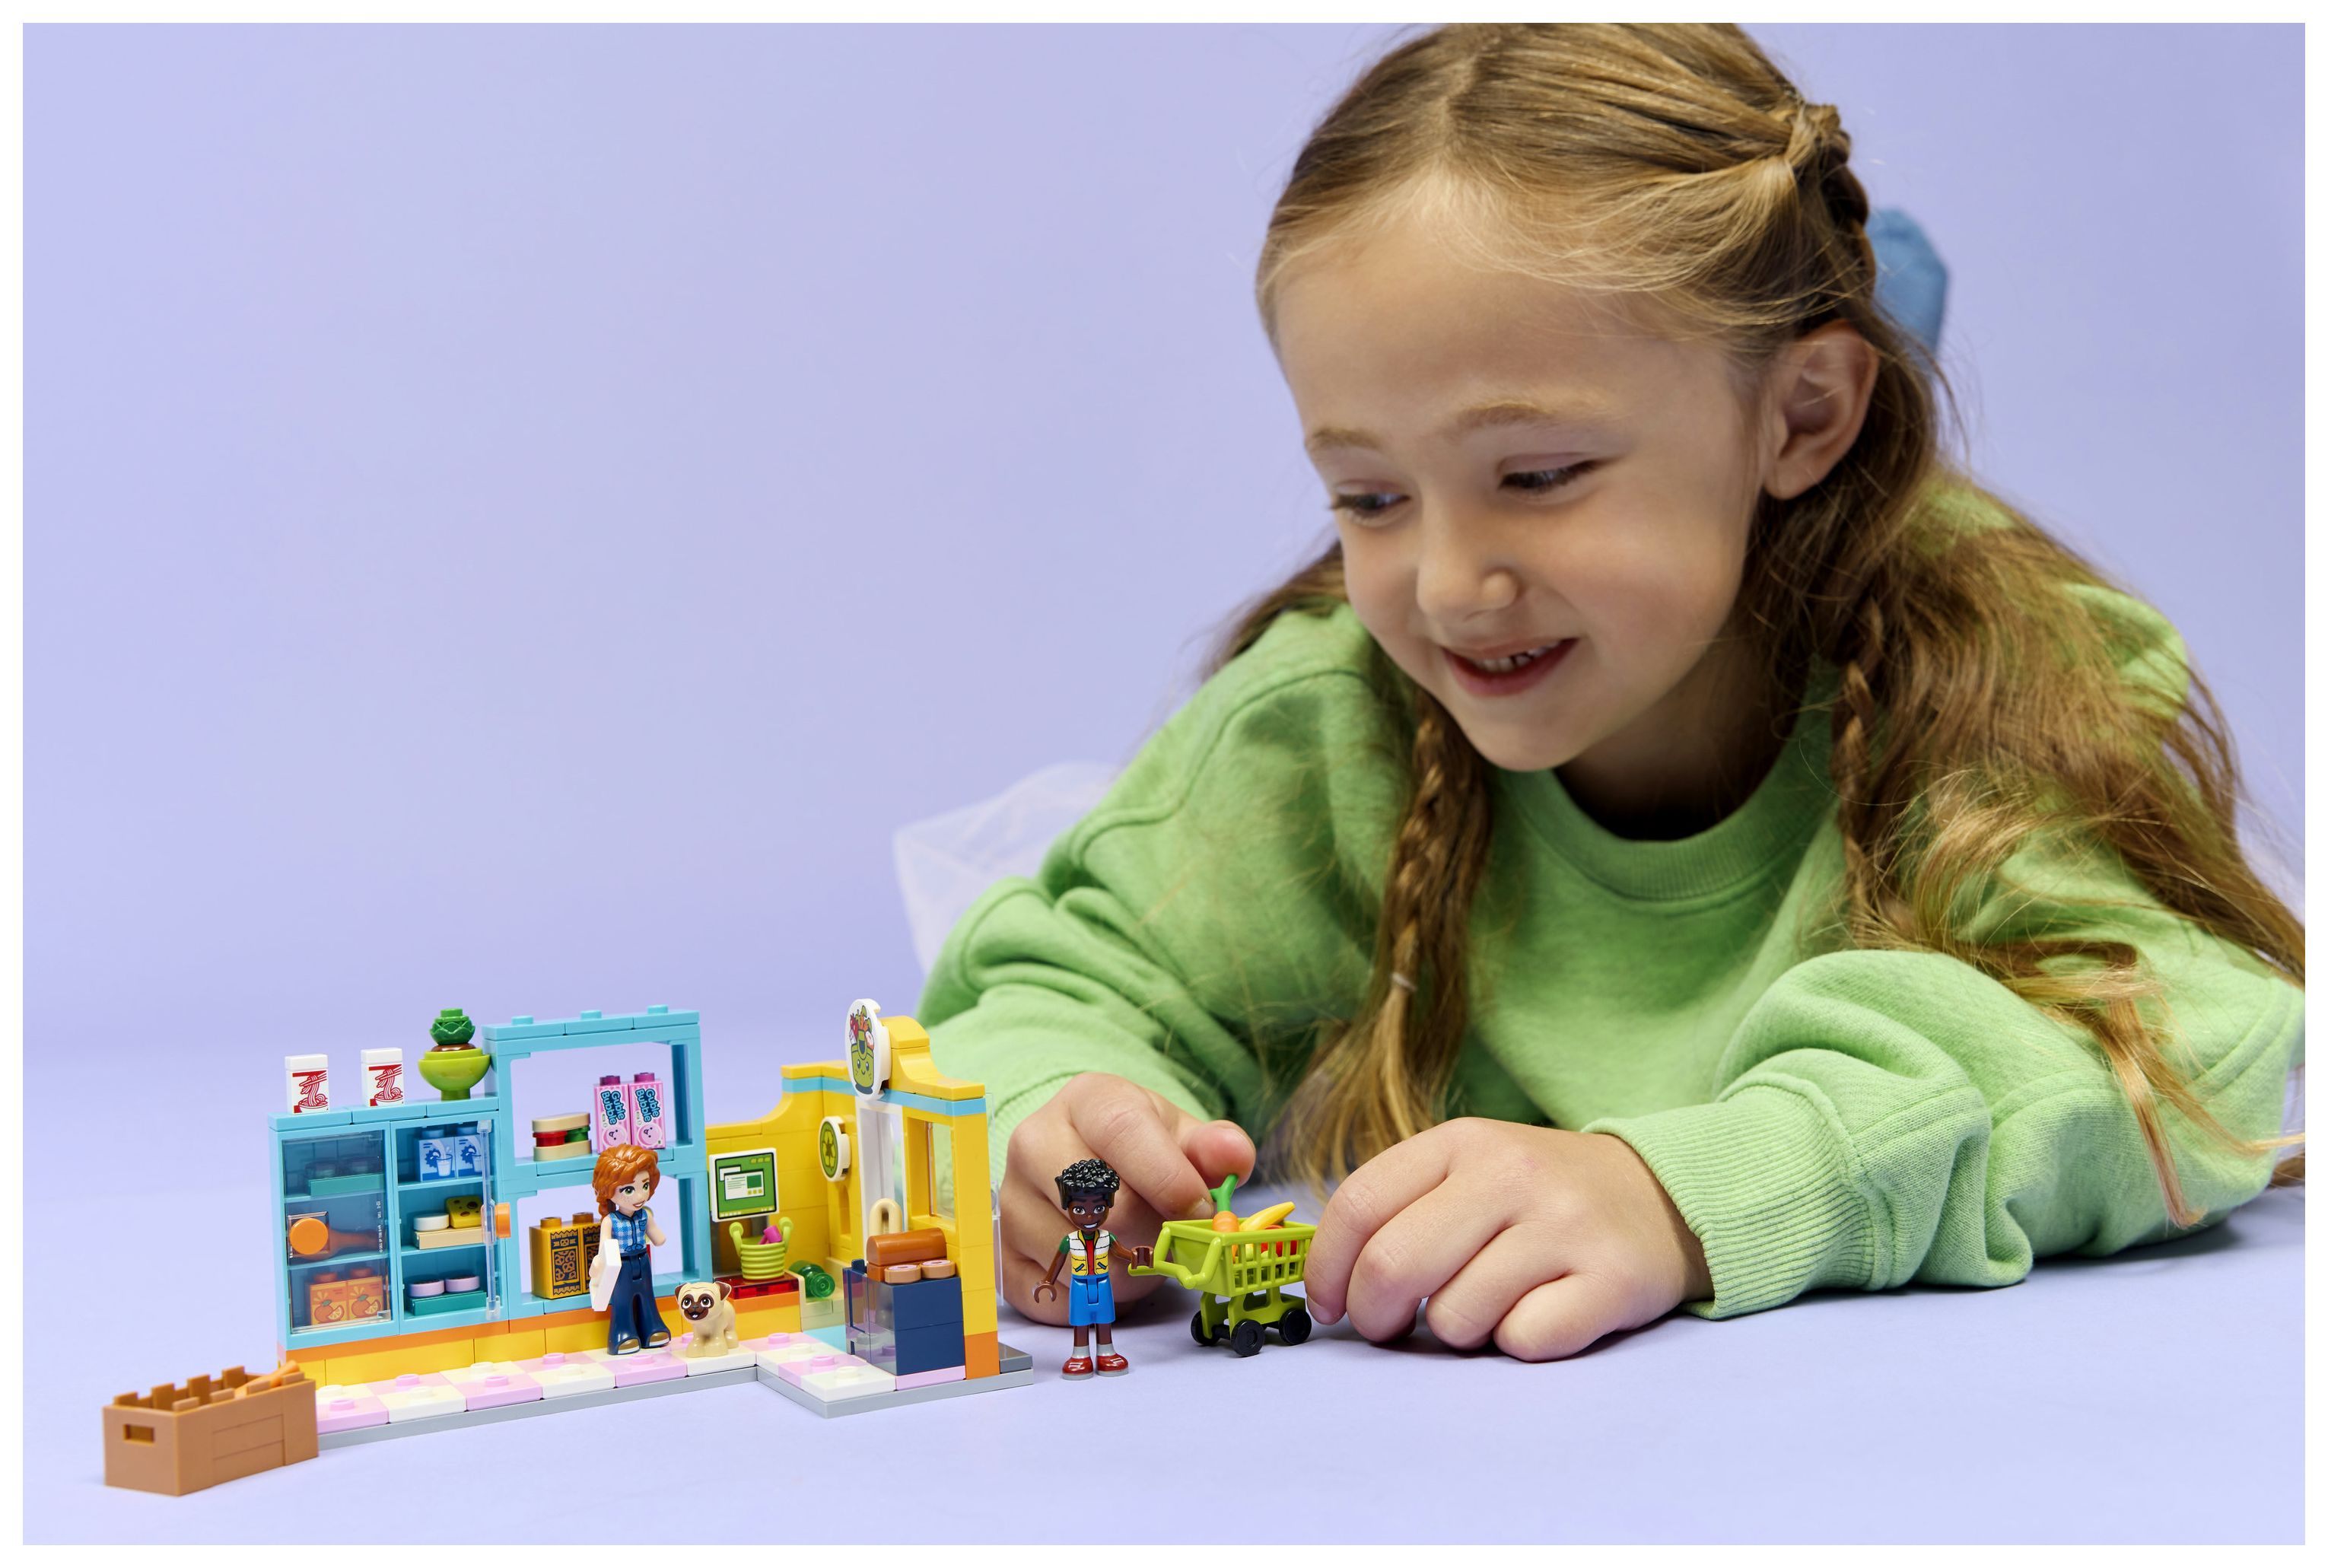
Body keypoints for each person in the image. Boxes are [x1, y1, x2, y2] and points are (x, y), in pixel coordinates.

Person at [919, 23, 2304, 1363]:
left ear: (1804, 414)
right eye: (1370, 496)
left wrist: (1690, 1193)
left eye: (1538, 475)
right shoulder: (1328, 727)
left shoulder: (1987, 683)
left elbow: (2173, 1054)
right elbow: (1060, 988)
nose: (1450, 587)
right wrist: (1057, 1123)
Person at [1030, 1157, 1153, 1378]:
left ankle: (1107, 1353)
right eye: (1079, 1209)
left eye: (1098, 1208)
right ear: (1068, 1207)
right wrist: (1048, 1281)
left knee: (1104, 1318)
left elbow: (1121, 1252)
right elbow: (1059, 1260)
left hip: (1103, 1283)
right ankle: (1080, 1355)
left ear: (1108, 1205)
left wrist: (1136, 1256)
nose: (1089, 1216)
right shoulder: (1070, 1240)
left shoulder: (1107, 1237)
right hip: (1079, 1285)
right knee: (1081, 1321)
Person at [592, 1143, 672, 1354]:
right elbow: (604, 1247)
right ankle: (623, 1334)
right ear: (609, 1191)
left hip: (643, 1261)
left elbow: (658, 1238)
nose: (639, 1196)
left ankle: (652, 1328)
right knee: (622, 1300)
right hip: (621, 1265)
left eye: (645, 1186)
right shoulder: (610, 1221)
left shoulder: (645, 1215)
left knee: (647, 1295)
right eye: (629, 1190)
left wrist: (659, 1237)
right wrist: (599, 1263)